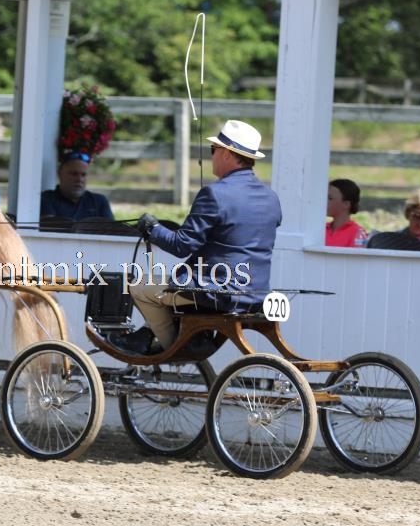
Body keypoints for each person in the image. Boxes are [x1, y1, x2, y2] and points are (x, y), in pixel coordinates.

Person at [110, 120, 281, 355]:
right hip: (256, 291)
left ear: (227, 153)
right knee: (167, 284)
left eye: (213, 149)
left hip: (218, 289)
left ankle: (175, 347)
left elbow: (182, 245)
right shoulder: (271, 197)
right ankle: (152, 334)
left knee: (139, 286)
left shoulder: (215, 194)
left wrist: (152, 228)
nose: (212, 156)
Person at [39, 152, 115, 221]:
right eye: (74, 174)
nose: (79, 179)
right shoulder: (46, 199)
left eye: (83, 175)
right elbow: (49, 228)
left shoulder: (99, 201)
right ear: (60, 174)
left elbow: (112, 230)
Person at [325, 178, 368, 247]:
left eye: (330, 198)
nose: (324, 201)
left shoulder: (357, 233)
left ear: (346, 204)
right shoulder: (321, 228)